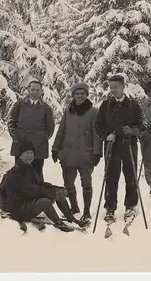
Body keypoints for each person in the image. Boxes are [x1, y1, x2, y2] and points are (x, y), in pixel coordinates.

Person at [0, 140, 90, 232]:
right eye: (26, 153)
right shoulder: (15, 173)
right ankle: (60, 225)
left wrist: (56, 189)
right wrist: (52, 193)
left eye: (31, 153)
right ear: (20, 156)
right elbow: (31, 190)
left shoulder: (30, 169)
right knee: (44, 202)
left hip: (28, 202)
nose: (29, 155)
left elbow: (40, 184)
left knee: (58, 194)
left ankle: (72, 219)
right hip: (18, 208)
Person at [51, 82, 103, 221]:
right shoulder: (68, 111)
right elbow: (61, 131)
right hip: (67, 154)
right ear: (73, 95)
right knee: (68, 183)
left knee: (86, 184)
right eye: (77, 94)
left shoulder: (94, 112)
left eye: (82, 93)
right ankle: (74, 208)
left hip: (86, 155)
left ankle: (86, 211)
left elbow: (97, 133)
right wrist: (55, 149)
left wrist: (97, 152)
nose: (80, 96)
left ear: (86, 95)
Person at [95, 74, 143, 222]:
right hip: (112, 146)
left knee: (130, 175)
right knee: (110, 176)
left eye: (116, 87)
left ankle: (130, 206)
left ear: (123, 87)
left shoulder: (133, 105)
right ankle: (110, 208)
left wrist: (133, 130)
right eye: (111, 88)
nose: (113, 90)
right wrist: (106, 135)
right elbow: (98, 125)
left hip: (129, 144)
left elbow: (141, 125)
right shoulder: (106, 105)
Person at [7, 80, 55, 182]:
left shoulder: (47, 108)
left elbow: (50, 129)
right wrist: (17, 138)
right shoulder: (19, 105)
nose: (34, 92)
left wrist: (40, 140)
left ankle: (38, 197)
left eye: (37, 90)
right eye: (32, 89)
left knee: (36, 175)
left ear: (41, 92)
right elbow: (11, 122)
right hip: (20, 147)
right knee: (20, 174)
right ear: (28, 90)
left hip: (38, 150)